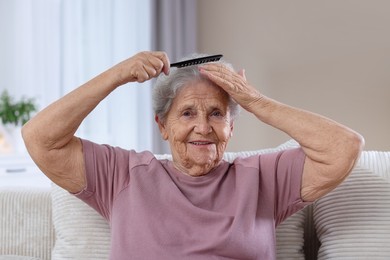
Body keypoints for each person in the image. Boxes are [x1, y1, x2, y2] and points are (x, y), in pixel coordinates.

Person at [22, 51, 364, 259]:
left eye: (216, 114)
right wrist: (117, 75)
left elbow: (344, 147)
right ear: (163, 126)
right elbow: (40, 138)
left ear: (231, 126)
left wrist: (257, 102)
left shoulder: (262, 177)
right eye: (187, 113)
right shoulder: (123, 174)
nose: (203, 127)